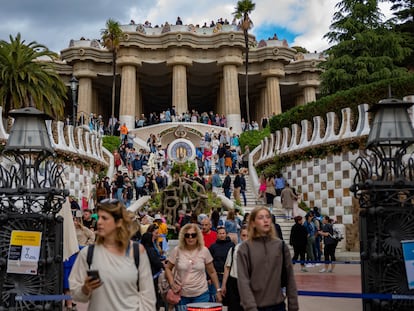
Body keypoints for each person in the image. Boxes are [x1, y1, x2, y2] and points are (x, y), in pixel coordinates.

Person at [69, 199, 156, 310]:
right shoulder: (87, 253)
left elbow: (148, 296)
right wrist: (85, 288)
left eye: (104, 218)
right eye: (99, 217)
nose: (99, 222)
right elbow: (76, 293)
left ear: (118, 222)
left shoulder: (137, 251)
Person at [237, 207, 299, 311]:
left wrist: (293, 306)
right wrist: (251, 307)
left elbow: (290, 279)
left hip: (278, 305)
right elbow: (243, 281)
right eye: (261, 217)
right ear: (253, 223)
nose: (265, 220)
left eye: (268, 217)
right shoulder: (245, 248)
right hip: (255, 307)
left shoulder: (281, 246)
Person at [164, 223, 222, 308]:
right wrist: (172, 284)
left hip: (201, 294)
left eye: (193, 235)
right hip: (182, 295)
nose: (190, 237)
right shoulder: (177, 250)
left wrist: (218, 290)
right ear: (183, 237)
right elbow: (168, 268)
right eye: (187, 235)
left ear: (198, 236)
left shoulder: (204, 251)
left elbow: (212, 272)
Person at [221, 226, 248, 311]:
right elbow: (227, 267)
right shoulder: (234, 249)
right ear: (240, 236)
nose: (246, 238)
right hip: (234, 282)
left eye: (248, 235)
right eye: (244, 235)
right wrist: (224, 284)